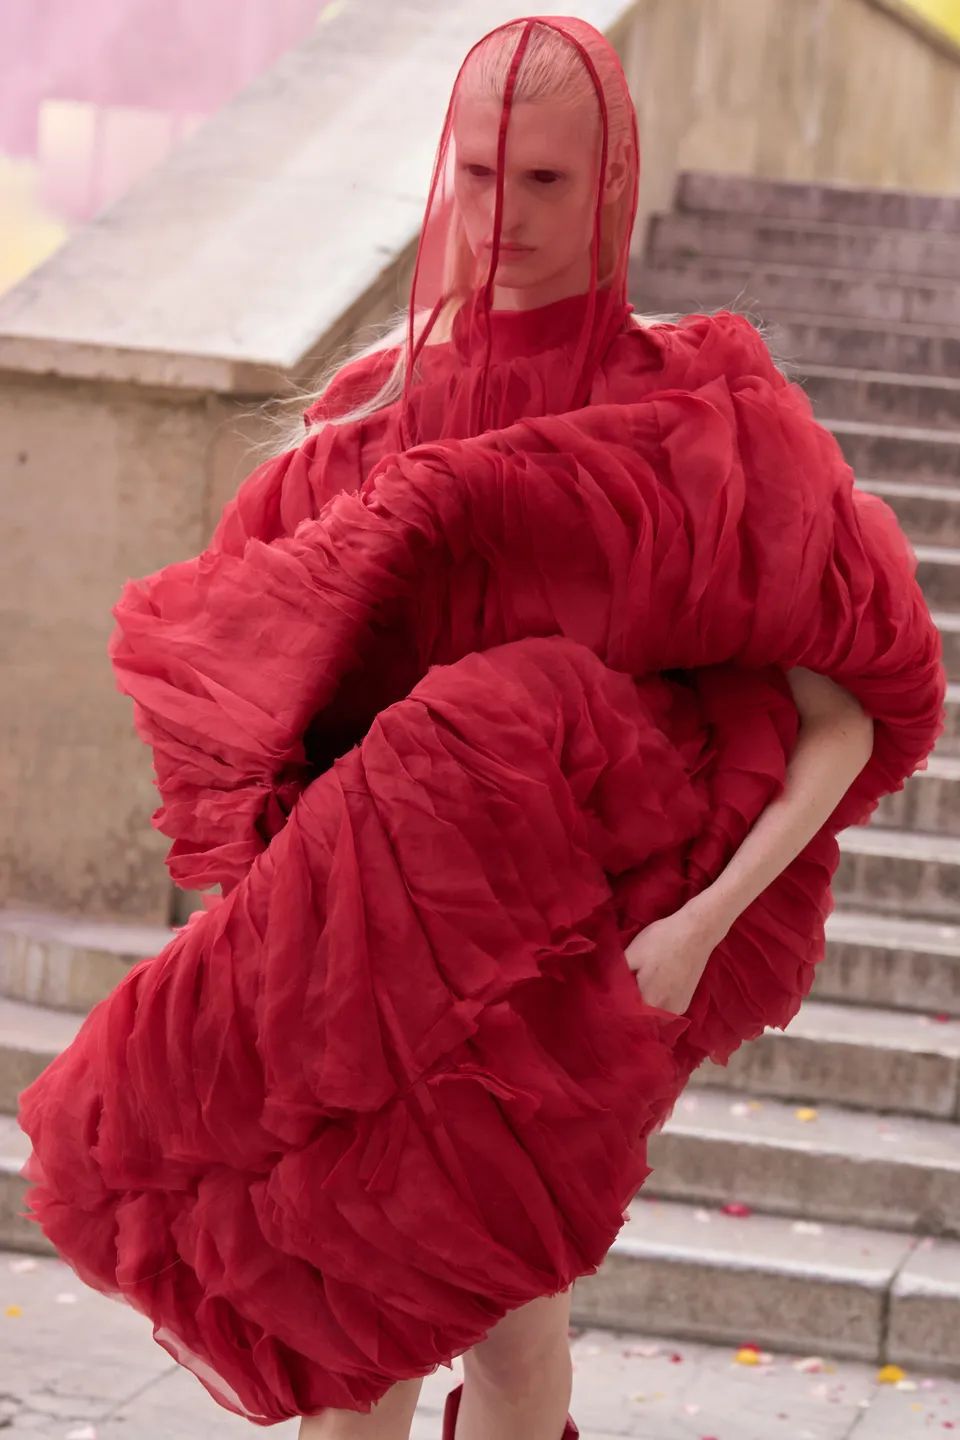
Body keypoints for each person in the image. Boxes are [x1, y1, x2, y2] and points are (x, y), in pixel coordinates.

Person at [16, 16, 945, 1440]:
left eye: (548, 184)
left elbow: (845, 713)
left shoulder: (690, 420)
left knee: (504, 1349)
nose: (501, 219)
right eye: (478, 176)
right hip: (362, 968)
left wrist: (698, 932)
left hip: (559, 975)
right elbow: (265, 721)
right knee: (362, 1347)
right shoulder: (368, 420)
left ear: (616, 184)